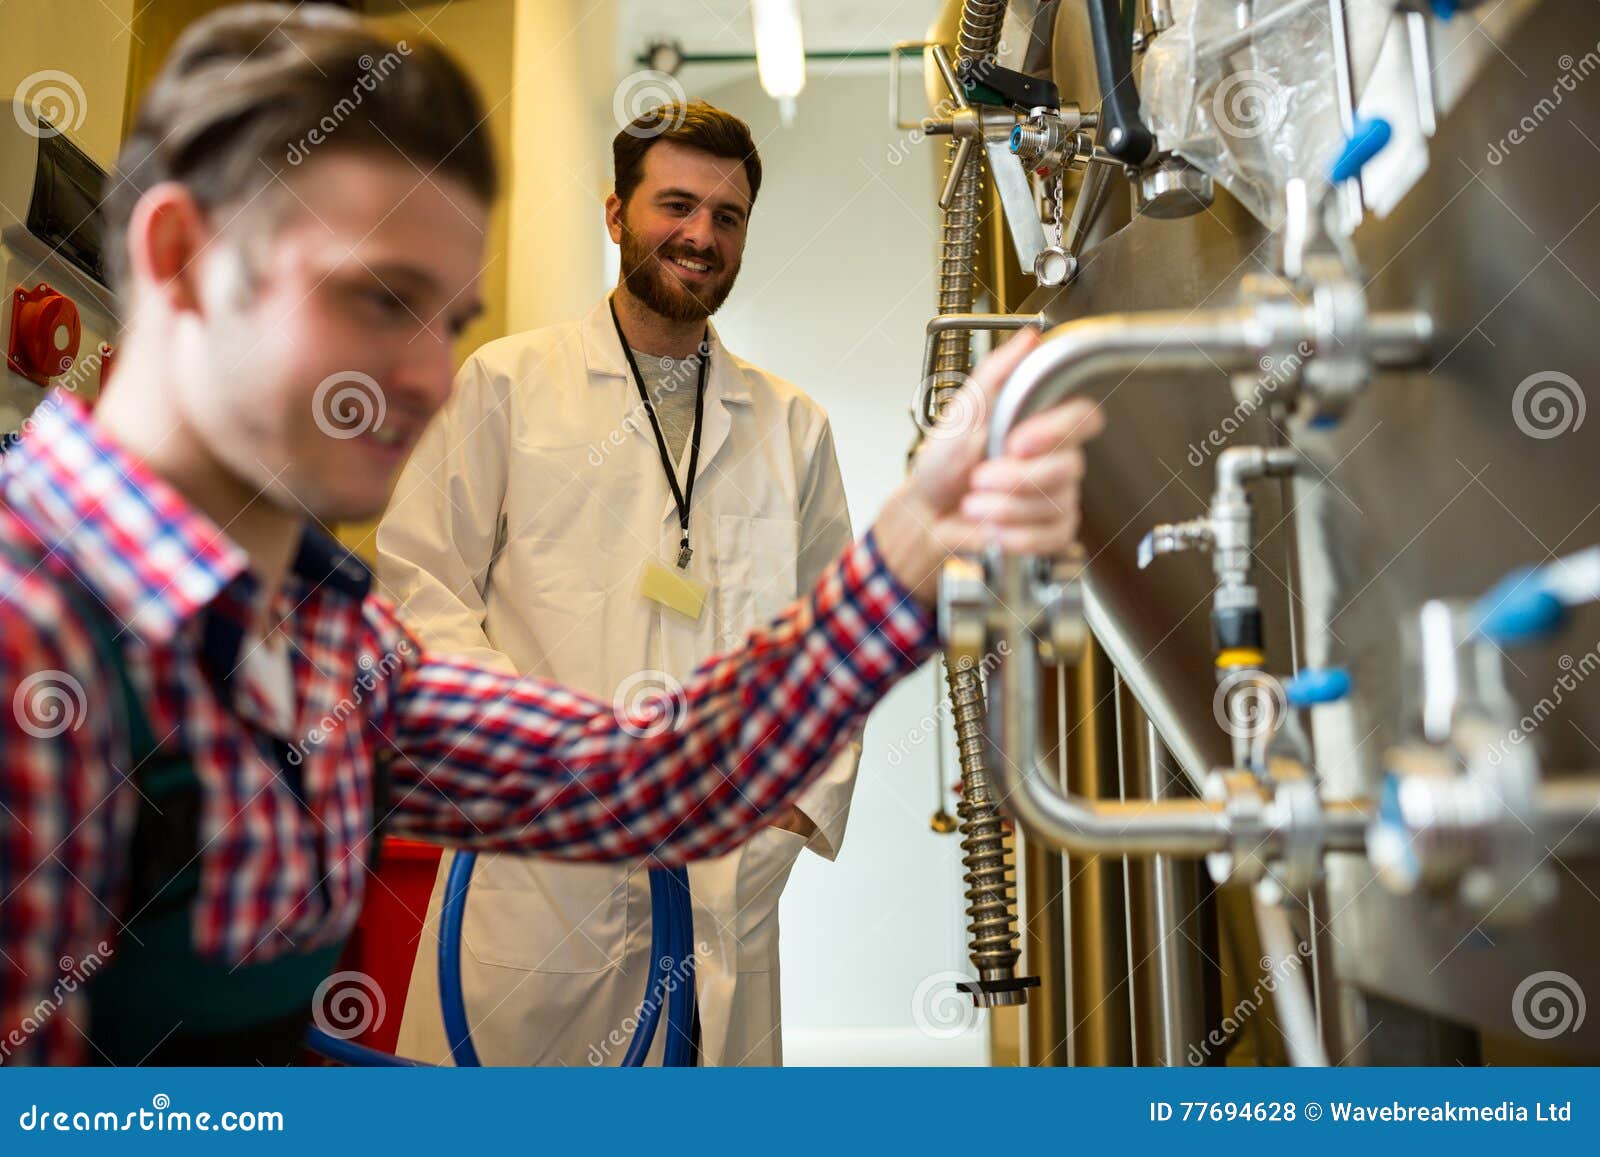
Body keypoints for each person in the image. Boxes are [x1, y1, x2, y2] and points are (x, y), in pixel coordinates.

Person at [0, 4, 1102, 1067]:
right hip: (529, 920)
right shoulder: (38, 627)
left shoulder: (320, 653)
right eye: (374, 299)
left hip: (709, 898)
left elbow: (623, 774)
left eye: (449, 320)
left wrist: (901, 565)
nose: (426, 377)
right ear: (181, 255)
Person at [379, 101, 862, 1066]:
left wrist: (782, 813)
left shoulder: (791, 428)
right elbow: (418, 587)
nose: (700, 236)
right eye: (675, 206)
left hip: (721, 884)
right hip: (534, 873)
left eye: (727, 218)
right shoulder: (509, 386)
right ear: (615, 215)